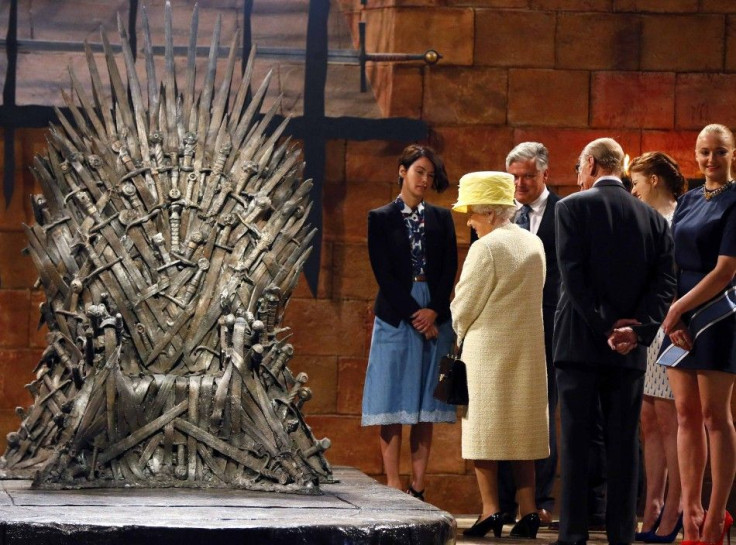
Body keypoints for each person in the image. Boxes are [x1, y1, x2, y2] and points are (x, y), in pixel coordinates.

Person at [552, 138, 676, 545]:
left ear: (589, 164)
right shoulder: (653, 219)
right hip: (629, 352)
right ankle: (623, 533)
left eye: (578, 167)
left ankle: (573, 534)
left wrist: (605, 326)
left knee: (575, 442)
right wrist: (636, 331)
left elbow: (573, 276)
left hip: (580, 344)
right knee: (625, 442)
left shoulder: (570, 207)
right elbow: (664, 284)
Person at [450, 171, 549, 539]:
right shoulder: (532, 243)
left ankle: (490, 510)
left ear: (490, 213)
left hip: (488, 354)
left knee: (484, 433)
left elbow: (464, 305)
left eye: (473, 213)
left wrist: (458, 329)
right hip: (526, 350)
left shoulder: (486, 248)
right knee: (523, 433)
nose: (470, 221)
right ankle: (528, 511)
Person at [361, 144, 458, 501]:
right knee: (391, 398)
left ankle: (419, 485)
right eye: (419, 171)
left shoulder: (441, 218)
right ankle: (392, 482)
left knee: (423, 404)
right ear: (402, 171)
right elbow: (383, 274)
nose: (425, 180)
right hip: (397, 313)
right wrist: (415, 315)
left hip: (434, 310)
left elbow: (449, 267)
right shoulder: (381, 217)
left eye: (430, 175)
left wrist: (433, 310)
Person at [659, 124, 736, 545]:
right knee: (685, 416)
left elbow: (726, 269)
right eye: (704, 152)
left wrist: (677, 309)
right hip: (682, 317)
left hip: (719, 314)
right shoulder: (687, 200)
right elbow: (672, 262)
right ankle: (692, 516)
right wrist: (673, 316)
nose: (711, 160)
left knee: (715, 417)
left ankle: (717, 516)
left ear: (732, 154)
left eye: (719, 152)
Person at [497, 142, 560, 526]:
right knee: (503, 412)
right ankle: (504, 502)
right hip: (505, 329)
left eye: (528, 177)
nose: (520, 184)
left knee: (543, 415)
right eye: (515, 177)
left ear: (545, 175)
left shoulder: (564, 211)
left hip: (551, 324)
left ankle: (541, 500)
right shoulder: (499, 215)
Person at [629, 152, 687, 543]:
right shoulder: (646, 219)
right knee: (648, 418)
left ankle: (677, 508)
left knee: (671, 421)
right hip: (649, 327)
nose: (632, 190)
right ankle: (651, 505)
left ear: (652, 179)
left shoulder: (680, 217)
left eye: (635, 182)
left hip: (674, 326)